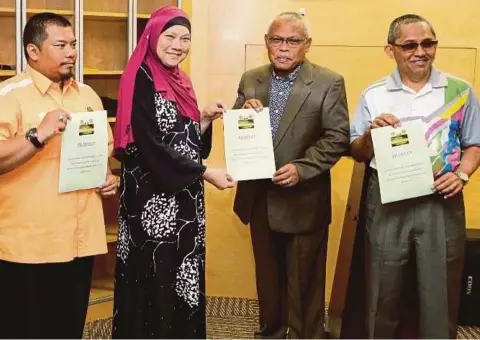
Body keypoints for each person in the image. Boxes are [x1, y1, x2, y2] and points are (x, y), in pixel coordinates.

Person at [350, 14, 480, 338]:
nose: (420, 51)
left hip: (442, 200)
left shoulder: (460, 90)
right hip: (387, 199)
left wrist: (462, 175)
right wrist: (370, 134)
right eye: (409, 45)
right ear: (390, 49)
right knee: (382, 291)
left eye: (428, 43)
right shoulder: (374, 93)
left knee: (441, 294)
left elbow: (474, 144)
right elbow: (357, 150)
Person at [111, 6, 235, 339]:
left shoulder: (182, 80)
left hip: (183, 199)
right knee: (155, 275)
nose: (178, 45)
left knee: (183, 274)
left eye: (185, 38)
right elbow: (149, 145)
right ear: (152, 36)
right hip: (149, 199)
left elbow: (186, 141)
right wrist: (206, 173)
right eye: (170, 36)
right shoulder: (140, 76)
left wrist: (205, 119)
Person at [0, 12, 116, 339]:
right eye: (60, 45)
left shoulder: (87, 95)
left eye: (73, 44)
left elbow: (102, 149)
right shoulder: (7, 95)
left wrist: (106, 177)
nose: (71, 52)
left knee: (66, 329)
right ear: (33, 51)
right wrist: (38, 135)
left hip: (78, 242)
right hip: (26, 246)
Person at [233, 12, 350, 339]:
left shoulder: (329, 82)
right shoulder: (251, 78)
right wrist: (241, 115)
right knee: (268, 279)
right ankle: (270, 332)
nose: (283, 48)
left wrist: (303, 168)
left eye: (293, 41)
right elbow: (236, 128)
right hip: (258, 199)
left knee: (304, 283)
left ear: (307, 45)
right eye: (276, 40)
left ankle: (306, 335)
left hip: (303, 200)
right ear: (267, 42)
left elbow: (337, 137)